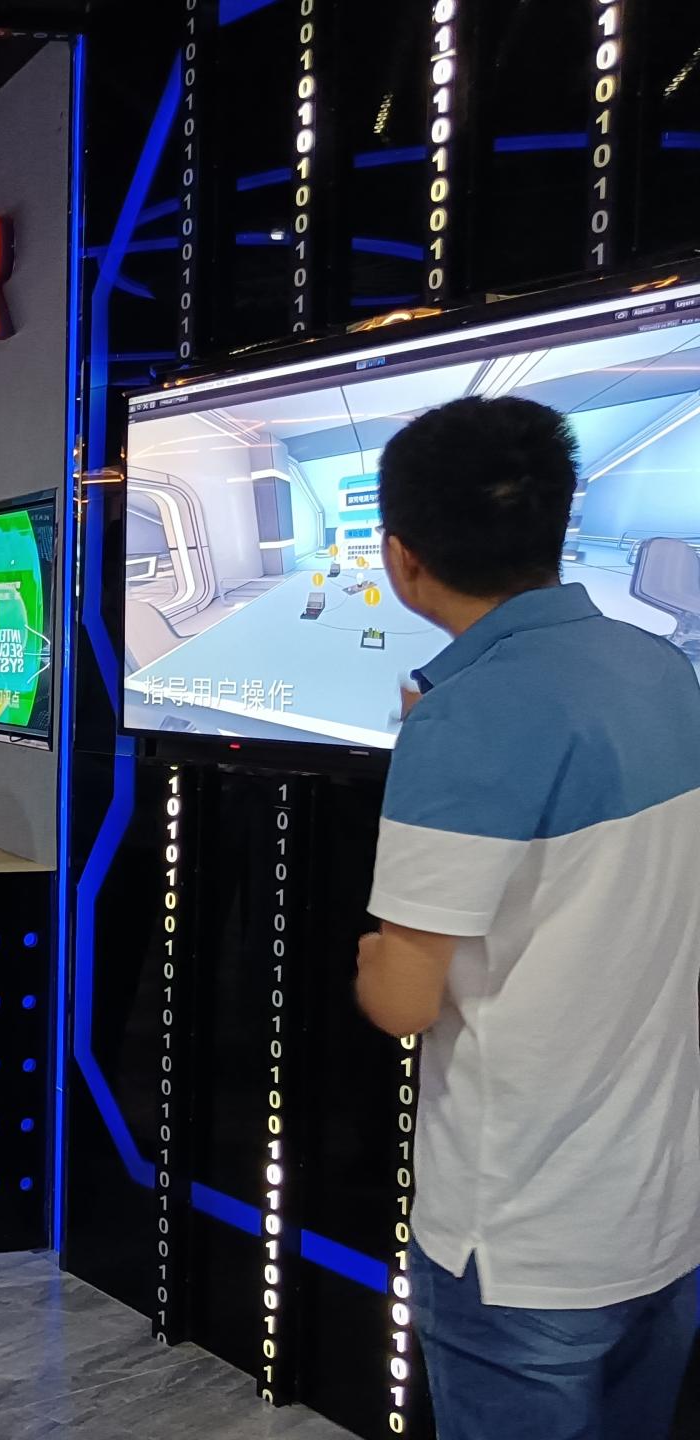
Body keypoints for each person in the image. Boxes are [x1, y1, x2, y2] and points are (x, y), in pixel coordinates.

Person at [356, 396, 700, 1440]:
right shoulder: (665, 668)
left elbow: (404, 1001)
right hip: (663, 1215)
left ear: (403, 556)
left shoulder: (464, 718)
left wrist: (371, 956)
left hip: (518, 1242)